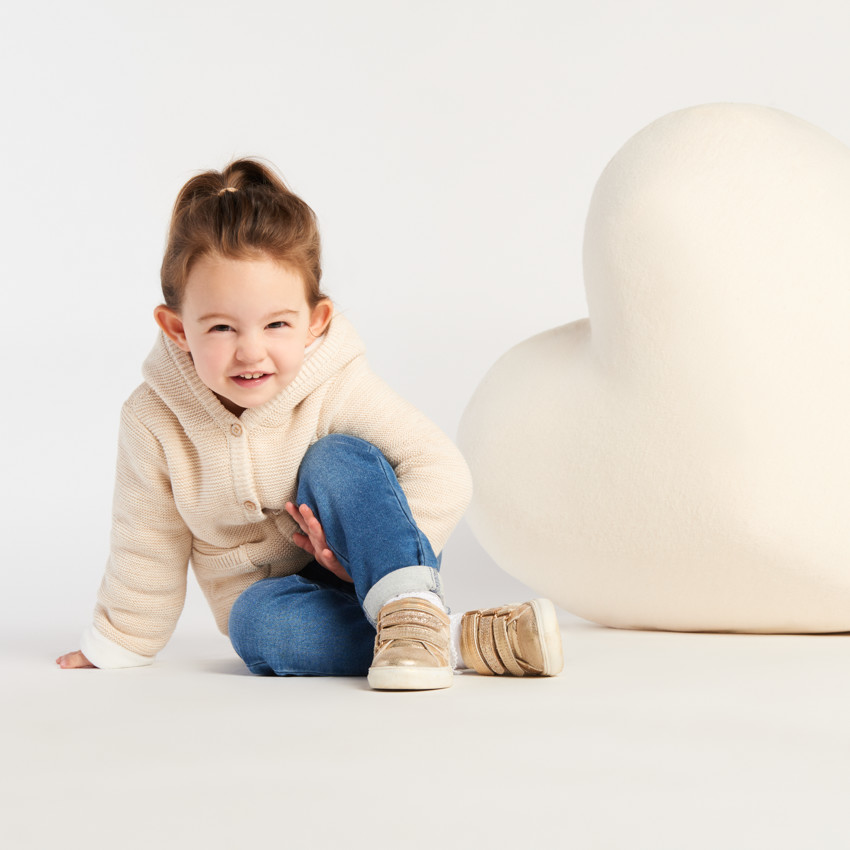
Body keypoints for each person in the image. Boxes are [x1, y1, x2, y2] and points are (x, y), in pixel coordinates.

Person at [56, 158, 563, 690]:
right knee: (255, 628)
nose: (250, 351)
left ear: (315, 321)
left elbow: (439, 468)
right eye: (222, 328)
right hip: (277, 604)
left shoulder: (334, 382)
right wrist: (120, 640)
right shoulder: (153, 419)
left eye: (277, 324)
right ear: (178, 329)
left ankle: (408, 609)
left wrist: (367, 555)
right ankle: (457, 638)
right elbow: (147, 538)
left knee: (337, 458)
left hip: (379, 566)